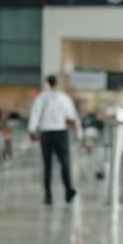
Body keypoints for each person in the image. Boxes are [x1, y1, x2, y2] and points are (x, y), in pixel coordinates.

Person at [28, 74, 78, 205]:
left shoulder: (41, 98)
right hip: (60, 132)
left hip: (46, 133)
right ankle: (68, 190)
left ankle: (48, 194)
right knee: (64, 162)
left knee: (47, 164)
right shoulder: (63, 98)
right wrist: (77, 132)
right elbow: (71, 116)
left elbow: (35, 114)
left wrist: (32, 130)